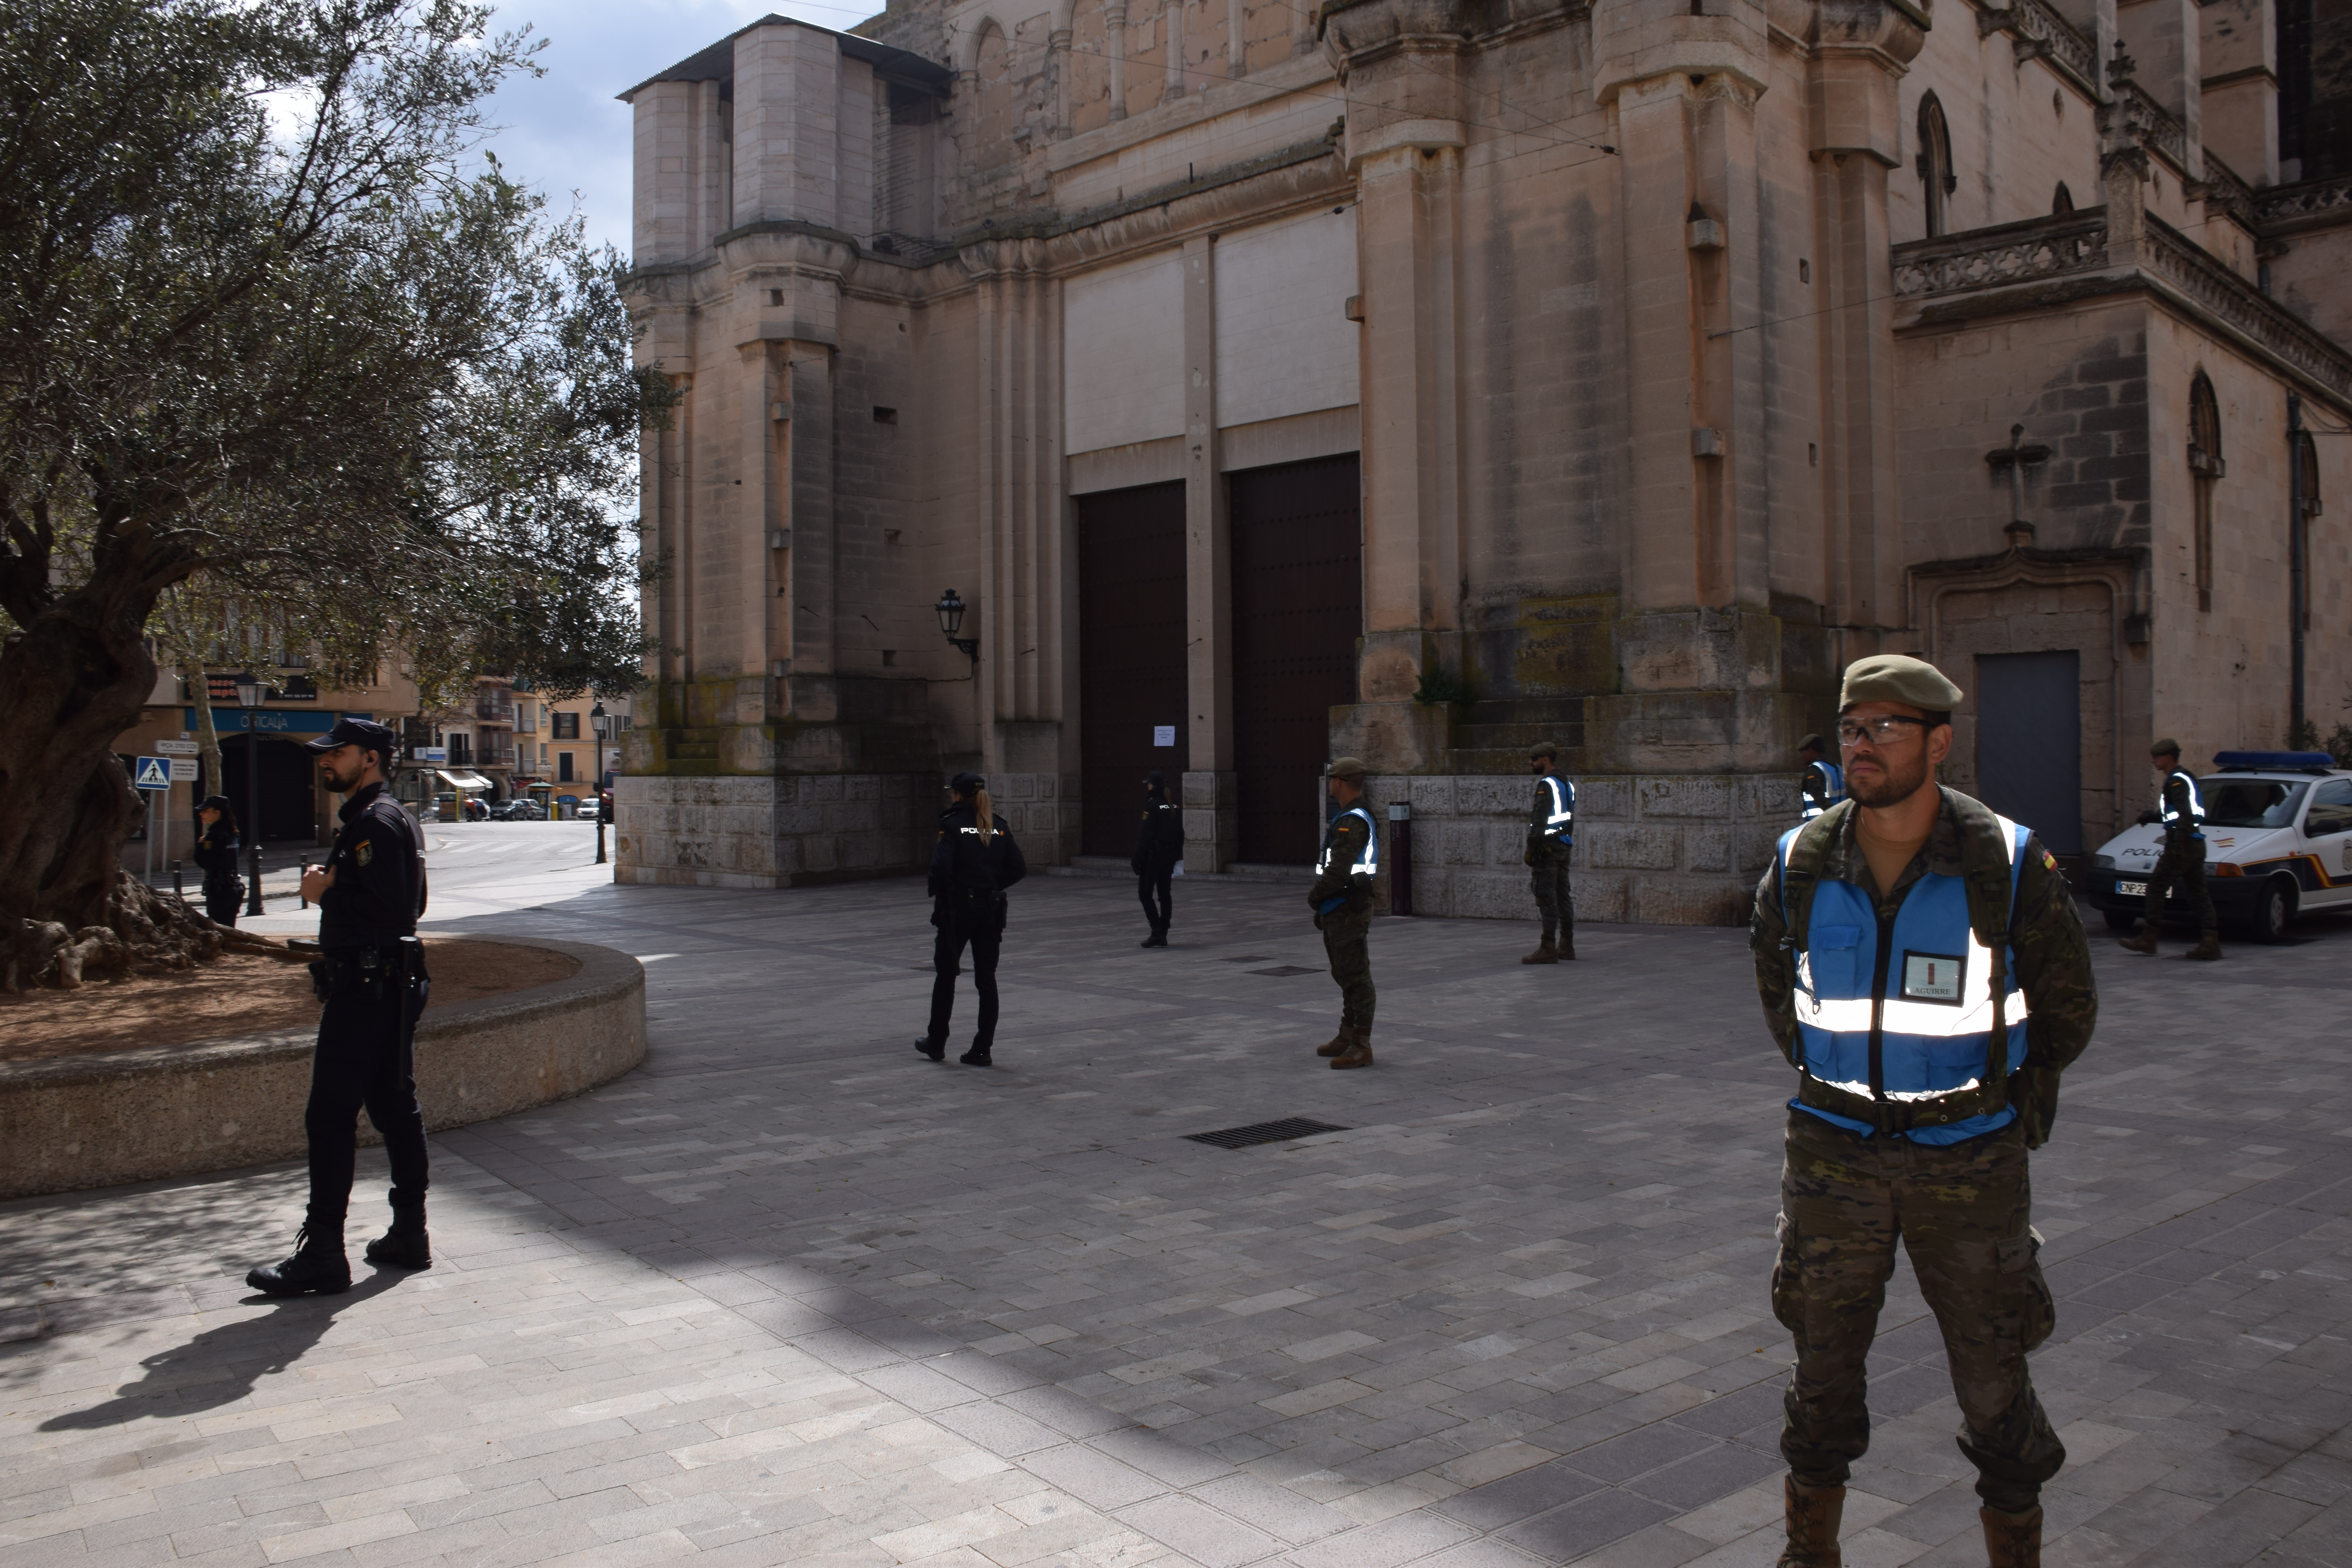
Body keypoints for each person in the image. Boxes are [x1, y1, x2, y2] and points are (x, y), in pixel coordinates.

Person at [1749, 655, 2097, 1568]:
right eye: (1852, 729)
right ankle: (1807, 1553)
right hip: (1833, 1153)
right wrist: (1845, 1081)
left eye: (1885, 728)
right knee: (1821, 1371)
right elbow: (1782, 997)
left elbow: (2067, 1014)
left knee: (1992, 1377)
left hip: (1969, 1160)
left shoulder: (2008, 862)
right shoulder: (1800, 860)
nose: (1861, 747)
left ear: (1938, 742)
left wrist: (1988, 1099)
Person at [247, 719, 433, 1296]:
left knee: (330, 1116)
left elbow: (393, 904)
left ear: (371, 759)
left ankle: (325, 1252)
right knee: (394, 1106)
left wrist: (324, 892)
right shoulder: (385, 817)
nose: (326, 762)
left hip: (370, 987)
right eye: (326, 756)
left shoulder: (374, 822)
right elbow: (412, 902)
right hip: (385, 985)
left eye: (339, 754)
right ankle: (408, 1233)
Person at [915, 772, 1026, 1066]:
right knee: (986, 979)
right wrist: (991, 884)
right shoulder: (997, 826)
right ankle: (982, 1048)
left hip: (958, 910)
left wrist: (948, 891)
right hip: (990, 909)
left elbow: (941, 869)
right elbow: (1018, 867)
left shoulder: (952, 826)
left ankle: (937, 1042)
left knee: (946, 975)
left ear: (957, 795)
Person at [1307, 758, 1379, 1069]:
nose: (1329, 784)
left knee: (1357, 978)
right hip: (1338, 907)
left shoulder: (1354, 820)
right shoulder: (1348, 816)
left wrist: (1315, 898)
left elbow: (1339, 870)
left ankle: (1361, 1044)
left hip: (1347, 907)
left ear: (1340, 782)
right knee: (1345, 975)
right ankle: (1347, 1035)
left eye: (1332, 779)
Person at [2121, 739, 2220, 960]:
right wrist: (2154, 816)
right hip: (2195, 843)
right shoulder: (2183, 778)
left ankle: (2149, 939)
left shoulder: (2176, 782)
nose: (2153, 761)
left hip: (2183, 844)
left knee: (2156, 887)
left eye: (2156, 757)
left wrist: (2176, 845)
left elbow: (2184, 814)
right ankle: (2210, 942)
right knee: (2198, 894)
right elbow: (2178, 812)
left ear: (2167, 757)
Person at [1521, 743, 1576, 964]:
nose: (1531, 762)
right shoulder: (1567, 784)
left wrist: (1531, 849)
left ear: (1545, 759)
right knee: (1564, 895)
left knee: (1546, 896)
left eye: (1534, 758)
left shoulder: (1546, 785)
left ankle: (1547, 947)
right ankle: (1567, 945)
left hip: (1548, 848)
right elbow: (1570, 818)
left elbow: (1539, 820)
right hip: (1564, 845)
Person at [1131, 771, 1185, 947]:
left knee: (1145, 894)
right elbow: (1180, 834)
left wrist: (1136, 860)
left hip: (1153, 857)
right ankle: (1164, 930)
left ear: (1152, 786)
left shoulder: (1152, 806)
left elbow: (1144, 836)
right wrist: (1176, 855)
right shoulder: (1174, 805)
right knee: (1164, 894)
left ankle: (1157, 932)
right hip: (1169, 856)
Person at [191, 794, 245, 927]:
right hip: (233, 889)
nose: (201, 814)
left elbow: (205, 862)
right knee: (229, 928)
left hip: (220, 892)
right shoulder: (233, 833)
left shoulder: (215, 836)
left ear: (218, 812)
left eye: (206, 811)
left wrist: (199, 847)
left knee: (220, 930)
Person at [1798, 733, 1844, 824]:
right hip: (1840, 818)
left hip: (1821, 822)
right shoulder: (1837, 767)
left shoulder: (1815, 770)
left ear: (1811, 751)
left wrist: (1834, 816)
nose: (1801, 756)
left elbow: (1819, 798)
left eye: (1803, 752)